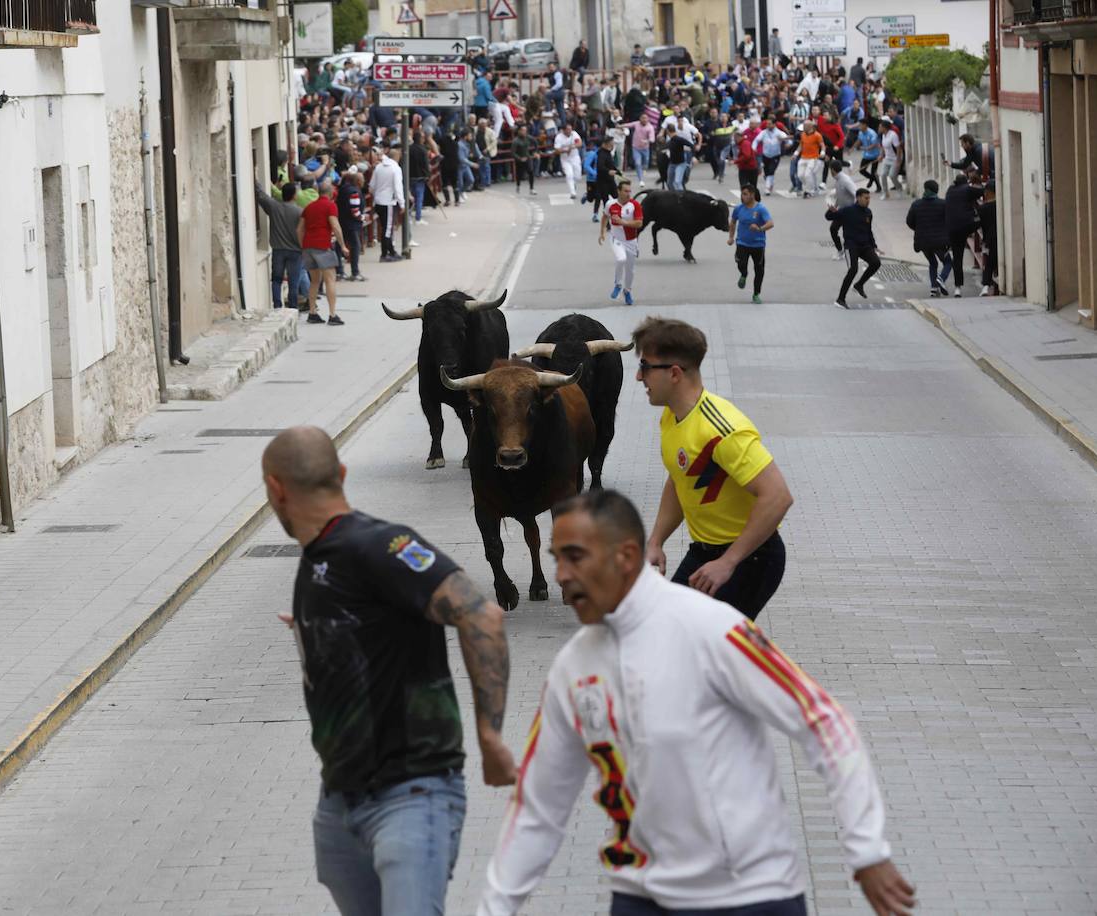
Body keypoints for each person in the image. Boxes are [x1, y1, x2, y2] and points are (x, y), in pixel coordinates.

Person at [476, 489, 915, 916]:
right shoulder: (571, 670)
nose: (561, 576)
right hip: (639, 897)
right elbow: (538, 807)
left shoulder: (712, 629)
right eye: (556, 560)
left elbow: (825, 721)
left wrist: (867, 850)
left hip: (749, 896)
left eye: (575, 557)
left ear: (626, 557)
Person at [262, 426, 516, 916]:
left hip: (410, 795)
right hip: (339, 803)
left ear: (275, 489)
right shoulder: (319, 558)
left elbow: (480, 615)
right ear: (340, 474)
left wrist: (490, 739)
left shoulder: (383, 545)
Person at [633, 317, 793, 619]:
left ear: (675, 373)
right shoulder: (672, 417)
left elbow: (778, 497)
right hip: (706, 552)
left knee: (706, 647)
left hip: (752, 558)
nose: (639, 377)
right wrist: (656, 541)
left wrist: (728, 562)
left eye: (645, 367)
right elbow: (680, 480)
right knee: (672, 631)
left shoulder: (722, 429)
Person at [297, 179, 349, 325]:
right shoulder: (330, 206)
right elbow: (335, 226)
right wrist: (343, 245)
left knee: (314, 281)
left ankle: (312, 312)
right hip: (323, 246)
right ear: (331, 193)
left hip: (308, 247)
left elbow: (299, 229)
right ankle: (332, 315)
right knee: (330, 279)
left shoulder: (309, 207)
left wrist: (303, 245)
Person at [255, 180, 307, 310]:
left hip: (278, 249)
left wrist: (255, 178)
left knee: (277, 280)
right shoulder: (300, 212)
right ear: (294, 195)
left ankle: (277, 306)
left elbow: (261, 195)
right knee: (293, 282)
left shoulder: (274, 207)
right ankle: (293, 308)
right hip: (295, 251)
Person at [827, 187, 880, 308]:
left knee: (876, 262)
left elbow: (868, 230)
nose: (868, 200)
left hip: (865, 246)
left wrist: (874, 246)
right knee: (853, 269)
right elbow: (829, 217)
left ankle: (859, 285)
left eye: (869, 198)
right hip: (851, 246)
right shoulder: (847, 211)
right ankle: (840, 299)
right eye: (866, 198)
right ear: (858, 198)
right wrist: (830, 211)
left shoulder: (868, 213)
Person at [598, 177, 643, 306]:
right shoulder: (610, 204)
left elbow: (639, 223)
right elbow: (605, 217)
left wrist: (623, 222)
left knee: (630, 269)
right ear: (619, 191)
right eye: (625, 191)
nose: (628, 193)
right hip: (616, 238)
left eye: (630, 191)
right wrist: (601, 233)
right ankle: (618, 284)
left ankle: (627, 291)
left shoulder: (635, 205)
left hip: (631, 241)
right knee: (620, 259)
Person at [727, 184, 773, 305]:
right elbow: (732, 223)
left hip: (758, 245)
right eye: (742, 194)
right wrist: (731, 237)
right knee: (741, 263)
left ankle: (756, 294)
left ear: (752, 194)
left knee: (759, 270)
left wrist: (759, 228)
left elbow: (770, 223)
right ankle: (744, 274)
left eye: (745, 194)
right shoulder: (738, 209)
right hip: (742, 243)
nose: (743, 196)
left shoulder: (761, 209)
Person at [905, 178, 951, 297]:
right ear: (936, 191)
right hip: (939, 242)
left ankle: (934, 288)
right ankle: (941, 279)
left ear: (925, 189)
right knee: (948, 262)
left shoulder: (916, 204)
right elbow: (949, 221)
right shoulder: (943, 204)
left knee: (932, 263)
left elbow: (909, 222)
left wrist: (919, 229)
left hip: (923, 242)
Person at [944, 173, 984, 297]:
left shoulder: (950, 190)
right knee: (985, 217)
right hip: (966, 226)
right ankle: (985, 240)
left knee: (957, 258)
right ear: (966, 182)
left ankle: (957, 288)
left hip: (951, 228)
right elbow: (983, 191)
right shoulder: (967, 189)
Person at [370, 147, 404, 262]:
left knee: (384, 226)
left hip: (378, 201)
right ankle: (384, 254)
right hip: (388, 201)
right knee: (387, 229)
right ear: (397, 157)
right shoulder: (395, 169)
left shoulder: (379, 167)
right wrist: (402, 203)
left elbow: (372, 186)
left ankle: (391, 251)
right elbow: (398, 187)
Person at [334, 168, 367, 282]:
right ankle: (355, 272)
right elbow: (355, 211)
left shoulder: (344, 189)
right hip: (352, 224)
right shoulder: (354, 192)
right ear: (358, 181)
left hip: (342, 221)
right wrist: (362, 217)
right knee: (355, 246)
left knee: (339, 246)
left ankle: (339, 271)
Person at [752, 117, 788, 195]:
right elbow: (756, 140)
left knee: (771, 171)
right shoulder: (763, 132)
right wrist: (753, 148)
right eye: (767, 124)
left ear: (774, 124)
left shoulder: (779, 133)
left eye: (769, 124)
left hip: (775, 156)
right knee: (767, 172)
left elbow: (786, 138)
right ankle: (770, 182)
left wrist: (787, 142)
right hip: (765, 155)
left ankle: (767, 188)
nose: (767, 125)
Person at [795, 119, 825, 200]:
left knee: (808, 175)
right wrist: (795, 153)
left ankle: (809, 191)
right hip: (803, 158)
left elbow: (822, 145)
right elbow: (801, 145)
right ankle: (812, 187)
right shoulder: (803, 134)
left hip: (813, 158)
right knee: (800, 175)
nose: (803, 127)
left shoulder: (817, 135)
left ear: (810, 126)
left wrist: (822, 153)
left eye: (805, 126)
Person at [593, 135, 620, 222]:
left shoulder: (607, 153)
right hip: (603, 182)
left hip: (610, 181)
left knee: (617, 198)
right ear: (605, 144)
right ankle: (607, 222)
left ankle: (618, 216)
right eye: (611, 144)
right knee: (606, 202)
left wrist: (618, 172)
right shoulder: (601, 154)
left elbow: (611, 165)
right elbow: (600, 167)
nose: (612, 146)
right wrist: (608, 171)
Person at [979, 180, 999, 295]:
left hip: (990, 239)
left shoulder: (983, 208)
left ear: (988, 192)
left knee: (990, 263)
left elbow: (978, 224)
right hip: (1002, 237)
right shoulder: (1001, 205)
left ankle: (986, 286)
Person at [554, 121, 583, 199]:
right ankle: (572, 192)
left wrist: (572, 147)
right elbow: (556, 150)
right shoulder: (559, 137)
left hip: (575, 157)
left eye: (570, 129)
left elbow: (579, 143)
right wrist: (565, 150)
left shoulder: (574, 134)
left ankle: (573, 184)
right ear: (563, 130)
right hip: (565, 159)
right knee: (569, 174)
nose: (569, 131)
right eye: (567, 129)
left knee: (578, 176)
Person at [409, 131, 431, 224]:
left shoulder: (409, 148)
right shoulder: (423, 150)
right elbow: (426, 164)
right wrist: (428, 175)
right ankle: (418, 218)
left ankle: (409, 217)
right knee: (419, 198)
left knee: (410, 198)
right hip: (420, 177)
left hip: (410, 176)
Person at [855, 118, 881, 192]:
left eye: (860, 125)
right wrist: (854, 147)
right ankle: (871, 178)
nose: (859, 126)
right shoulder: (860, 132)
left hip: (875, 155)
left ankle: (879, 187)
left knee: (874, 172)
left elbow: (874, 144)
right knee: (862, 170)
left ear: (865, 125)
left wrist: (864, 148)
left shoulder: (872, 133)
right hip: (866, 155)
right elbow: (859, 140)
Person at [511, 124, 538, 195]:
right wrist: (519, 158)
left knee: (531, 171)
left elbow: (535, 142)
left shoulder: (528, 138)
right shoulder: (515, 141)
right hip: (519, 159)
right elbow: (513, 153)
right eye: (522, 130)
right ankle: (518, 186)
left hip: (527, 157)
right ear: (519, 131)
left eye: (525, 130)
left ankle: (531, 188)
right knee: (519, 174)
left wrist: (534, 152)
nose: (524, 132)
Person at [878, 120, 901, 199]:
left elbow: (898, 148)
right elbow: (883, 147)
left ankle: (899, 189)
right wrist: (881, 155)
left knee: (892, 176)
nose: (879, 128)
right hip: (887, 158)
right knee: (883, 175)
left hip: (895, 158)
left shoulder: (893, 135)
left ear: (884, 128)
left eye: (880, 127)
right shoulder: (883, 135)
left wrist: (898, 160)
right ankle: (885, 193)